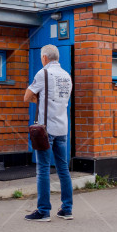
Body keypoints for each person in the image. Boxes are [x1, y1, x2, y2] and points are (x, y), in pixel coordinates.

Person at [23, 44, 74, 222]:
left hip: (46, 129)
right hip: (62, 127)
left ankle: (44, 210)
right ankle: (67, 209)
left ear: (44, 57)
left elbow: (27, 96)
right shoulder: (67, 76)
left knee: (43, 169)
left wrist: (40, 101)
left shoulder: (42, 73)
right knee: (63, 170)